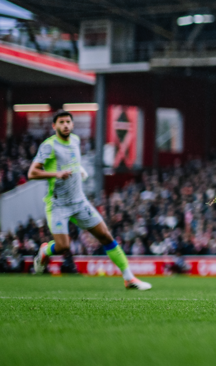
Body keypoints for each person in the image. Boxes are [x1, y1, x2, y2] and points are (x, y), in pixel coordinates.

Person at [29, 110, 151, 290]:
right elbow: (32, 173)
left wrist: (80, 170)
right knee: (63, 246)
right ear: (54, 126)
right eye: (61, 122)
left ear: (72, 124)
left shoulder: (76, 141)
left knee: (106, 236)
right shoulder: (49, 146)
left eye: (68, 122)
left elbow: (73, 162)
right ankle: (45, 251)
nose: (65, 125)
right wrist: (56, 174)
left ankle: (129, 278)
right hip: (58, 205)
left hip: (79, 202)